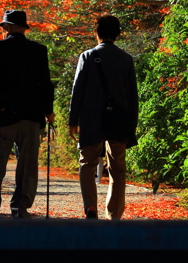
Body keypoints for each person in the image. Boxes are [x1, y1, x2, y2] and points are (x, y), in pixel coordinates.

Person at [0, 9, 55, 218]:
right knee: (28, 162)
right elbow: (46, 83)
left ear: (8, 27)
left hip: (1, 113)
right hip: (31, 112)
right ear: (24, 28)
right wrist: (49, 110)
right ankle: (20, 205)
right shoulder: (38, 50)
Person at [68, 14, 138, 220]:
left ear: (96, 33)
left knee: (87, 163)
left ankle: (90, 206)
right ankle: (114, 214)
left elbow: (77, 90)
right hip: (119, 119)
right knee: (117, 168)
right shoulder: (126, 59)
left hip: (92, 119)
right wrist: (132, 122)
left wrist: (74, 120)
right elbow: (132, 95)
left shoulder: (87, 57)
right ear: (117, 34)